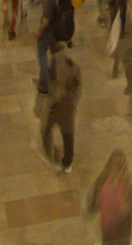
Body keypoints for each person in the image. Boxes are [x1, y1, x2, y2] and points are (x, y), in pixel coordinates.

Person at [88, 149, 132, 245]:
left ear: (125, 165)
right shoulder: (105, 175)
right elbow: (96, 193)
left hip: (121, 229)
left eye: (120, 164)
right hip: (106, 225)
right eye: (114, 164)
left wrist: (131, 205)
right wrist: (97, 201)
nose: (117, 167)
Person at [42, 40, 81, 173]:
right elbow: (78, 87)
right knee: (68, 135)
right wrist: (74, 102)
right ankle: (68, 163)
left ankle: (50, 154)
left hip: (54, 108)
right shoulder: (73, 66)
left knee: (46, 130)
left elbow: (46, 87)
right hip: (68, 108)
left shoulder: (50, 66)